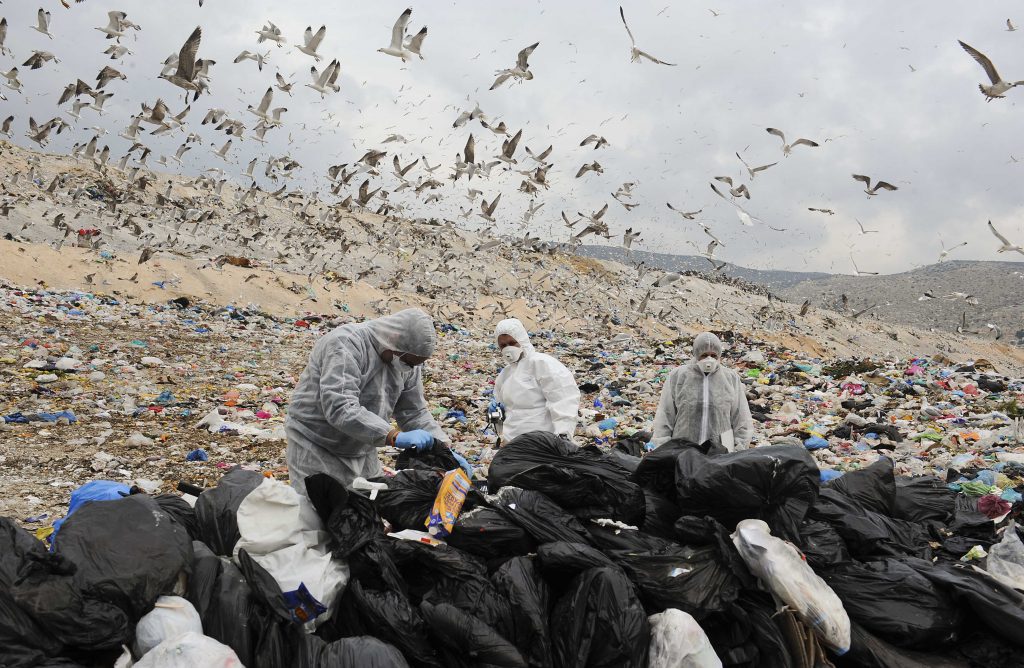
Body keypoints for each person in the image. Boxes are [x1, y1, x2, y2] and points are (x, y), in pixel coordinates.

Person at [286, 308, 469, 494]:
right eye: (410, 362)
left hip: (363, 447)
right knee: (316, 514)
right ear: (394, 338)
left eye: (416, 364)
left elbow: (413, 411)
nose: (411, 368)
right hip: (317, 445)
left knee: (368, 511)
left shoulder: (407, 362)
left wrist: (444, 448)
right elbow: (340, 406)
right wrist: (393, 436)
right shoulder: (347, 343)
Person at [652, 331, 753, 451]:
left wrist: (738, 449)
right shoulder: (678, 376)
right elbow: (665, 415)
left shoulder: (730, 378)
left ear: (719, 355)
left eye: (714, 355)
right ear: (696, 354)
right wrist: (662, 448)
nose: (709, 359)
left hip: (720, 452)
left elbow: (741, 418)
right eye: (704, 355)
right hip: (683, 451)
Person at [490, 318, 581, 443]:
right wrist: (497, 408)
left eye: (512, 343)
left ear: (522, 340)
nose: (508, 348)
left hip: (543, 442)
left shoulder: (543, 364)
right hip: (513, 443)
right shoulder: (506, 374)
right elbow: (503, 407)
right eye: (503, 345)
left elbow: (563, 399)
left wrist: (563, 435)